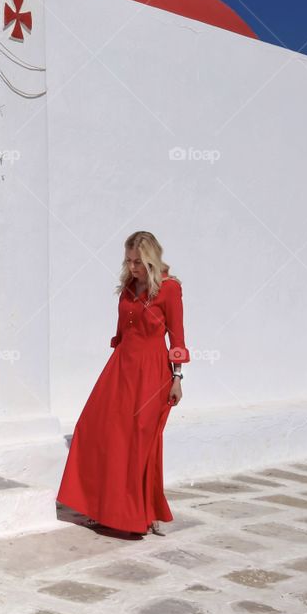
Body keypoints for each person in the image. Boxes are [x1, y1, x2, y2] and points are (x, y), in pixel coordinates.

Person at [55, 230, 189, 536]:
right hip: (121, 367)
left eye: (138, 262)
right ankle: (100, 506)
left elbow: (177, 336)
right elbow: (122, 331)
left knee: (138, 442)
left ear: (152, 259)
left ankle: (139, 513)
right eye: (128, 261)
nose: (132, 267)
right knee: (95, 429)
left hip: (152, 372)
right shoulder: (128, 288)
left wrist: (177, 377)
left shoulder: (169, 289)